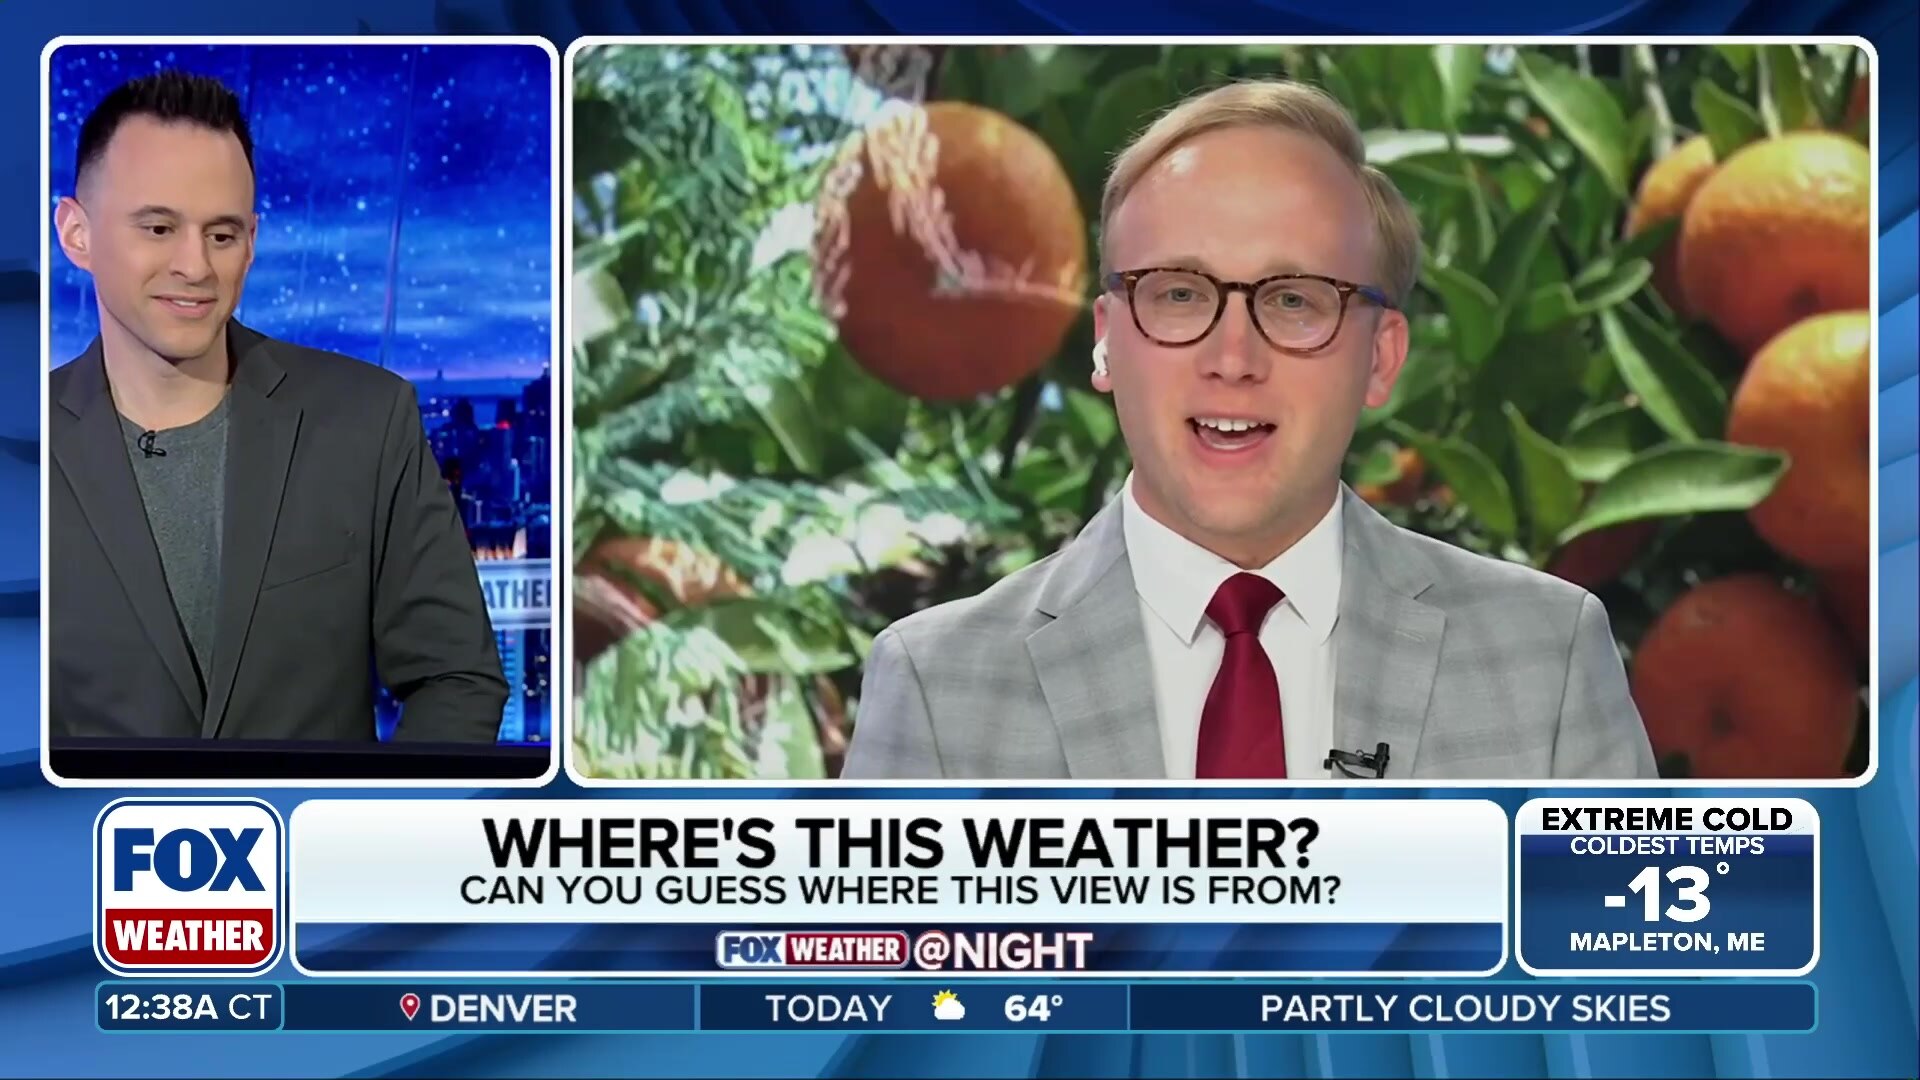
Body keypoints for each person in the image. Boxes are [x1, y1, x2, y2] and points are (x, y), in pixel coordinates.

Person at [842, 78, 1657, 781]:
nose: (1233, 358)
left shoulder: (1547, 657)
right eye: (1179, 295)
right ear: (1106, 342)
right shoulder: (937, 687)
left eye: (1295, 300)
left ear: (1381, 358)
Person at [48, 70, 508, 743]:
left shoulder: (365, 419)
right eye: (159, 227)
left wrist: (379, 811)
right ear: (76, 234)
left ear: (252, 242)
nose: (195, 266)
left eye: (222, 235)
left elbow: (457, 679)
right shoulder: (26, 454)